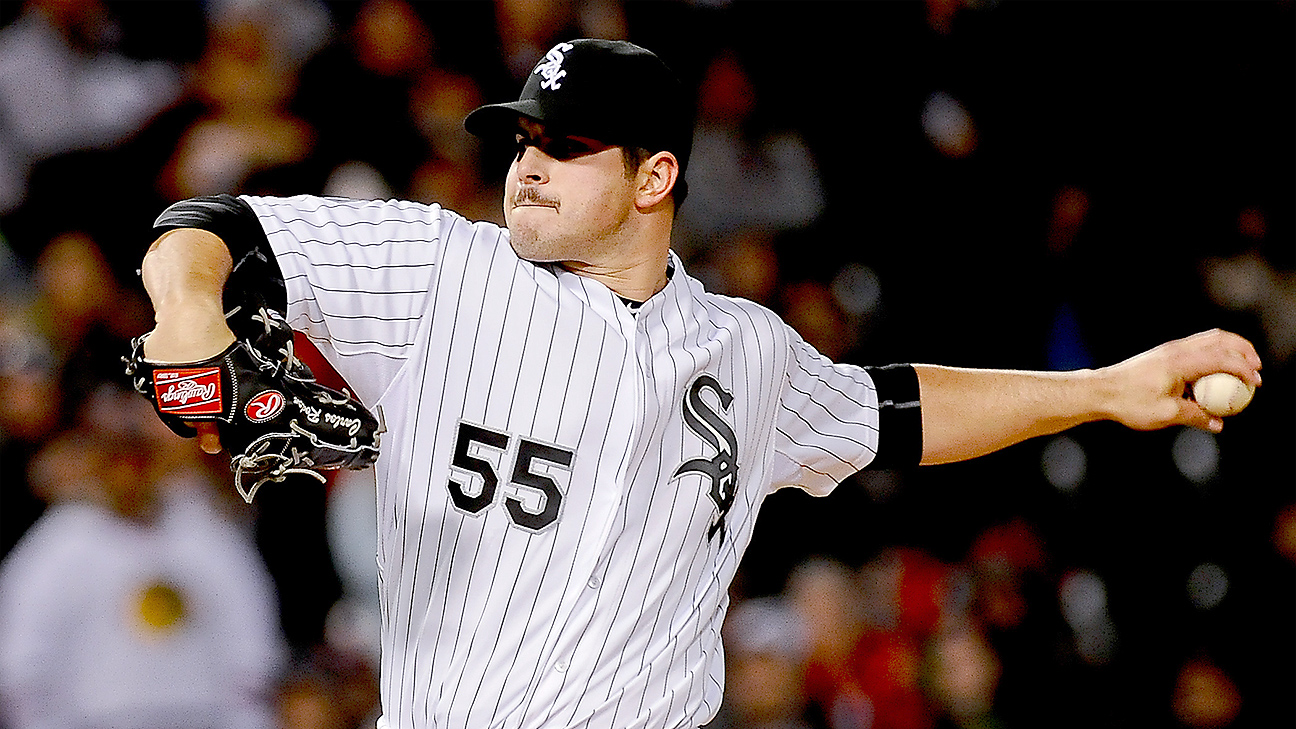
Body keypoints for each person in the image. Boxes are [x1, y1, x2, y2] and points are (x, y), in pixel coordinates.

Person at [132, 39, 1262, 729]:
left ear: (654, 175)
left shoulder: (746, 350)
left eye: (565, 146)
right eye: (520, 138)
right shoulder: (443, 268)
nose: (525, 163)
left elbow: (897, 414)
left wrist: (1108, 388)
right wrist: (188, 315)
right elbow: (207, 226)